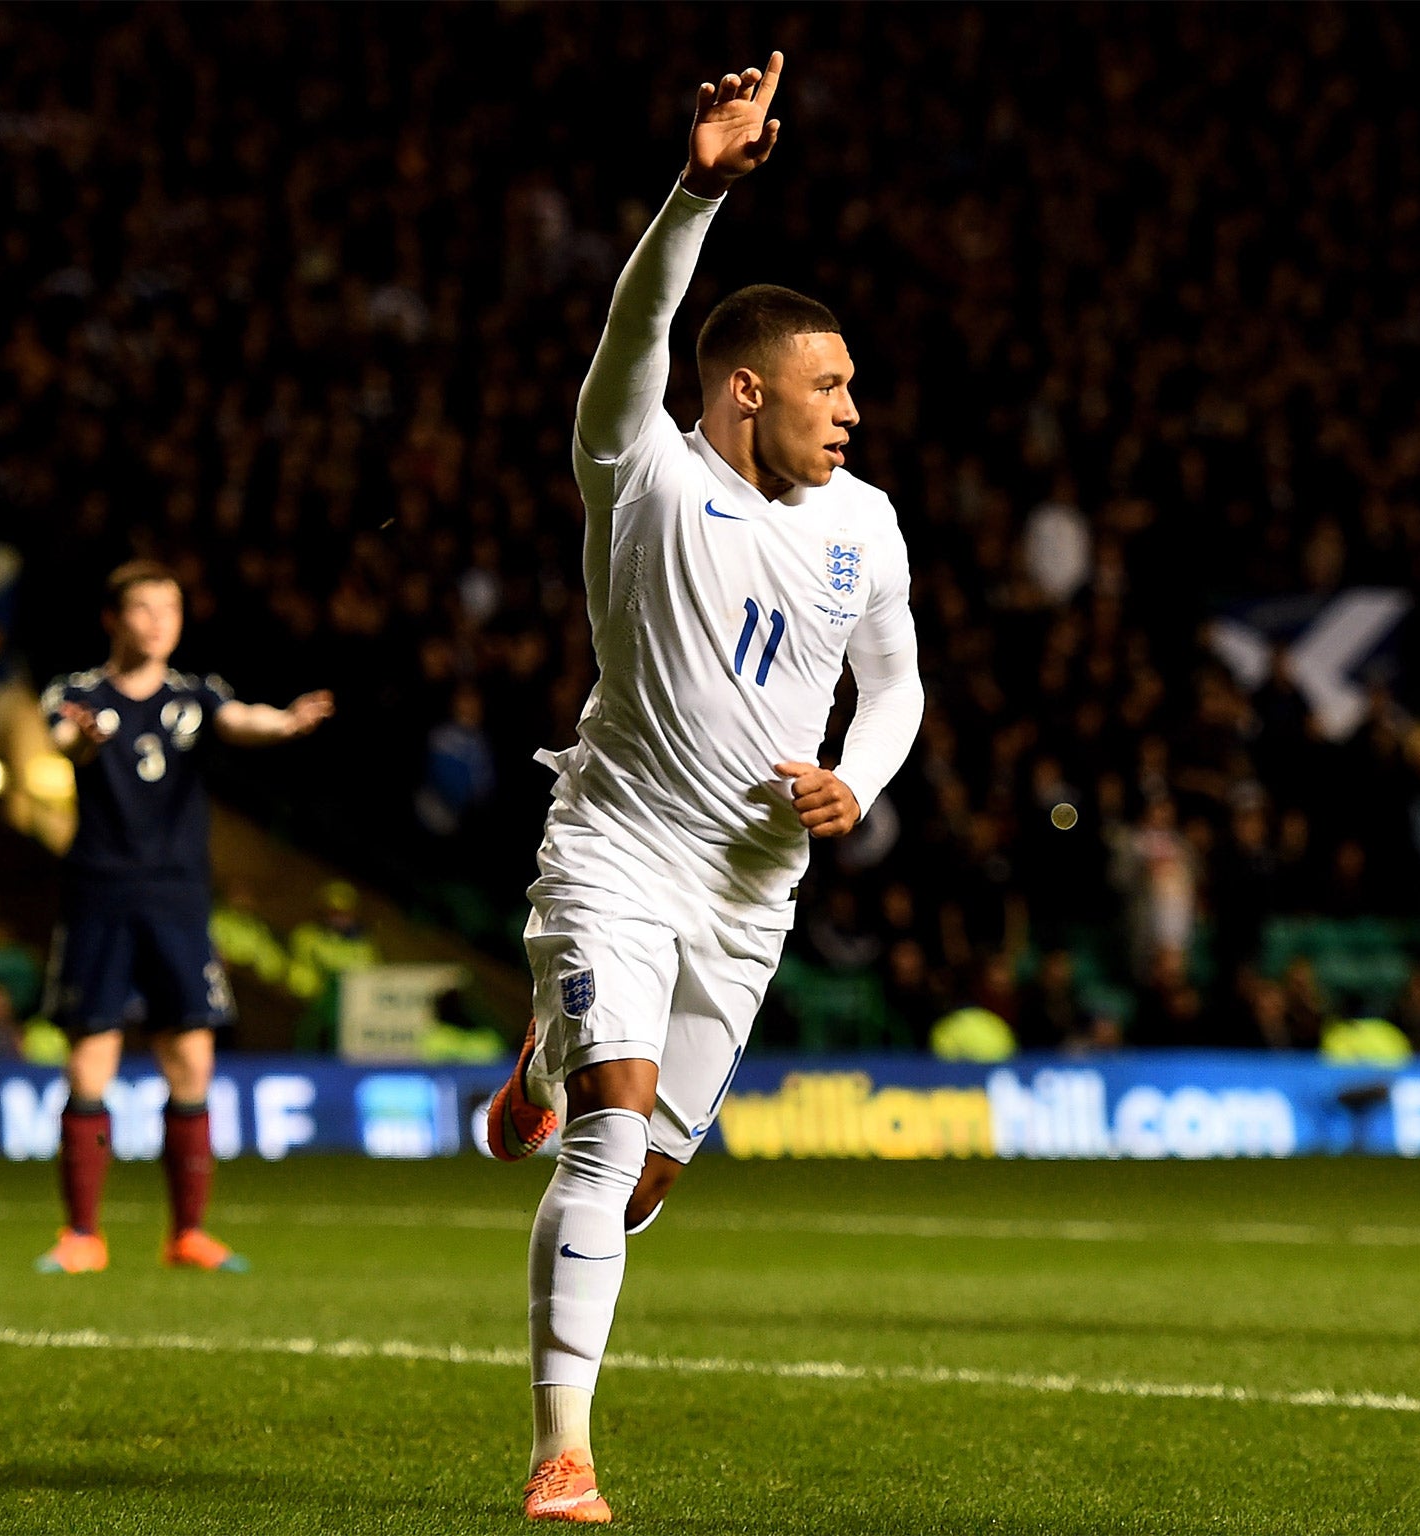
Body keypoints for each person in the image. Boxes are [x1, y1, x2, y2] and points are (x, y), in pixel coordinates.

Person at [482, 54, 924, 1523]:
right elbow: (634, 335)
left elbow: (900, 685)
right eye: (831, 385)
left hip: (748, 895)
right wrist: (695, 193)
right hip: (618, 841)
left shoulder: (865, 521)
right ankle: (564, 1454)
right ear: (746, 391)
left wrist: (857, 780)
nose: (854, 410)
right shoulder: (648, 472)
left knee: (648, 1180)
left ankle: (547, 1055)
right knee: (613, 1133)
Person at [34, 559, 334, 1276]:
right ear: (114, 618)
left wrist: (285, 723)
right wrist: (78, 740)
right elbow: (61, 739)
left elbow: (241, 721)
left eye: (170, 608)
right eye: (144, 608)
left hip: (177, 897)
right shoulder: (77, 694)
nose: (160, 622)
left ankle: (188, 1234)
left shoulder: (195, 697)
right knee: (91, 1059)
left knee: (192, 1062)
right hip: (100, 892)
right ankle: (82, 1234)